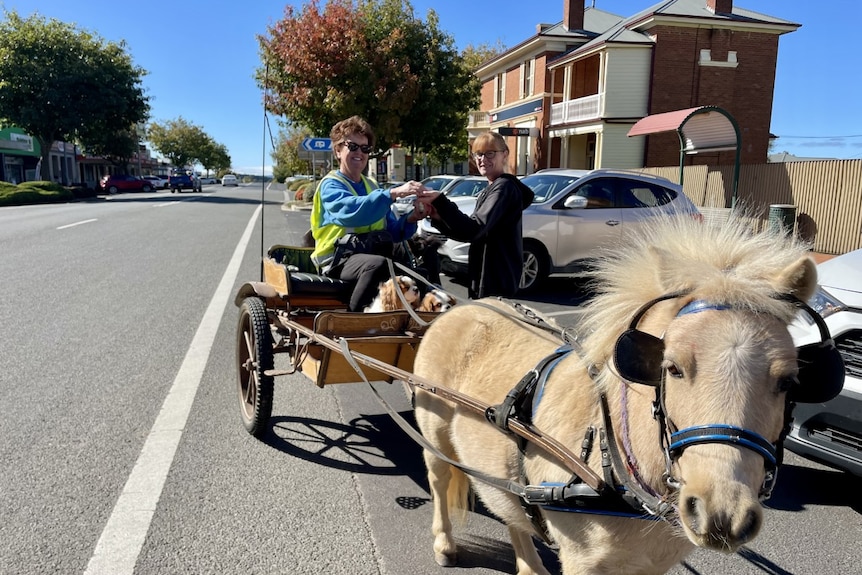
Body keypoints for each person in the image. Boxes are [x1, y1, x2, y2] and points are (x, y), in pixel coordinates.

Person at [310, 116, 428, 312]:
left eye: (365, 148)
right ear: (338, 151)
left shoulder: (371, 185)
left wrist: (411, 219)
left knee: (419, 274)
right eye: (352, 146)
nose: (360, 153)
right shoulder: (330, 185)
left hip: (369, 256)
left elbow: (391, 230)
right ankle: (353, 320)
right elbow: (352, 212)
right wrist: (393, 193)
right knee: (378, 265)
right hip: (337, 260)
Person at [416, 132, 534, 299]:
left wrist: (441, 202)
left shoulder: (504, 188)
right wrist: (437, 216)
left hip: (495, 283)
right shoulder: (493, 188)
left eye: (490, 153)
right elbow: (468, 234)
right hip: (485, 279)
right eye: (478, 154)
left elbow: (474, 229)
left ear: (505, 155)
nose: (482, 159)